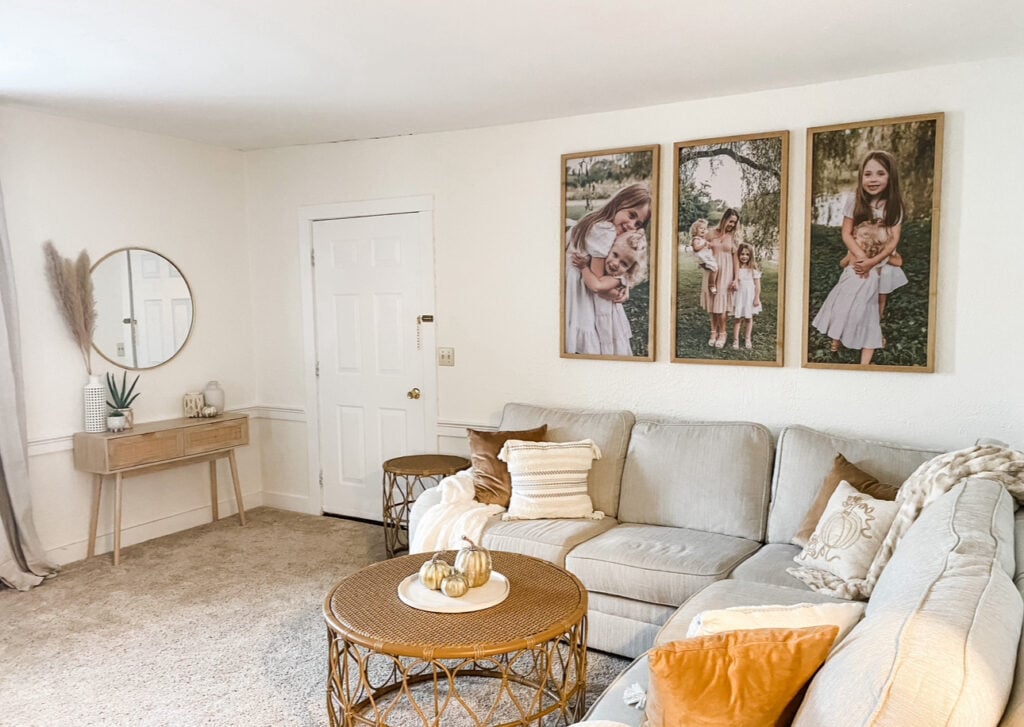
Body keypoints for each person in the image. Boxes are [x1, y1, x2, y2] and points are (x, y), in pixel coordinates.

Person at [812, 150, 905, 364]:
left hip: (880, 259)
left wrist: (873, 261)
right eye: (867, 174)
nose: (873, 180)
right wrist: (861, 257)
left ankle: (869, 335)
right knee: (845, 297)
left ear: (890, 176)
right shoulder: (854, 200)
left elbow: (893, 240)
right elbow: (846, 232)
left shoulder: (893, 205)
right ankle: (840, 335)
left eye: (880, 174)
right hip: (858, 254)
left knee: (873, 302)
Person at [564, 183, 651, 355]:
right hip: (584, 291)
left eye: (637, 223)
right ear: (620, 202)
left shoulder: (594, 220)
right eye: (631, 215)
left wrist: (624, 285)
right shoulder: (605, 230)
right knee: (596, 344)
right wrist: (616, 292)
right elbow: (598, 282)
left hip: (576, 283)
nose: (630, 225)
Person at [573, 229, 649, 355]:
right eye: (615, 254)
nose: (615, 264)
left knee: (609, 347)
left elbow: (596, 286)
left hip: (609, 320)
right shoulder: (601, 266)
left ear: (630, 269)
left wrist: (583, 267)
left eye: (624, 264)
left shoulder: (619, 279)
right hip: (595, 314)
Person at [699, 208, 741, 348]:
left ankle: (722, 334)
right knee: (712, 303)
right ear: (724, 219)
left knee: (721, 305)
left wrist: (736, 278)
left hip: (726, 273)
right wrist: (702, 264)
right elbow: (699, 249)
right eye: (730, 221)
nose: (732, 225)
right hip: (711, 272)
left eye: (734, 223)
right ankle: (713, 332)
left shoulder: (734, 237)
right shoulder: (710, 233)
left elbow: (736, 259)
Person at [731, 242, 762, 349]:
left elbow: (757, 286)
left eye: (747, 254)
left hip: (749, 298)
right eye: (742, 254)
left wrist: (756, 298)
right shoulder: (736, 269)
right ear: (738, 255)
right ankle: (736, 340)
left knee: (749, 318)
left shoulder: (753, 269)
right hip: (739, 297)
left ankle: (748, 338)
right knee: (737, 318)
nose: (744, 256)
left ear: (751, 256)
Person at [689, 218, 718, 295]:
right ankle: (712, 285)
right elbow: (696, 249)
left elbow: (706, 246)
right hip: (702, 259)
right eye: (701, 228)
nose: (703, 230)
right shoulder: (696, 239)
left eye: (705, 228)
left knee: (714, 268)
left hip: (705, 258)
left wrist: (708, 245)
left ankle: (712, 284)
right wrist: (704, 244)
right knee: (714, 268)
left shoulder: (702, 239)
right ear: (695, 229)